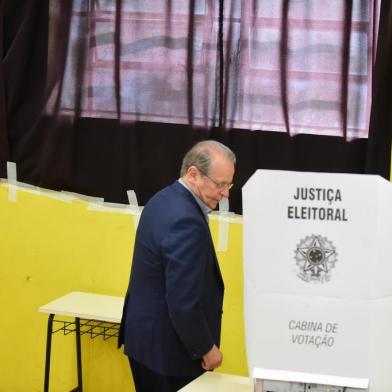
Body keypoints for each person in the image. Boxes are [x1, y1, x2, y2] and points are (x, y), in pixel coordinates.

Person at [118, 140, 236, 392]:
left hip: (145, 341)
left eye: (229, 184)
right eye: (220, 184)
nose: (226, 193)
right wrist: (206, 347)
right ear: (193, 174)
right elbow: (182, 300)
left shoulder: (163, 199)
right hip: (169, 352)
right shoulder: (186, 221)